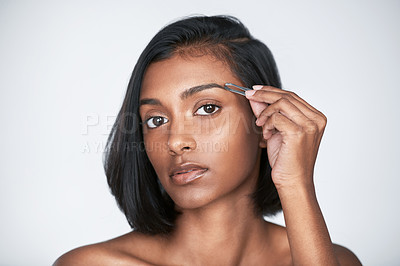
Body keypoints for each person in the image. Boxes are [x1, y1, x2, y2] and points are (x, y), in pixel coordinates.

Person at [54, 15, 361, 265]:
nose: (175, 142)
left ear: (265, 121)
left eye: (207, 108)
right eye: (156, 120)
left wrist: (296, 184)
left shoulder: (331, 260)